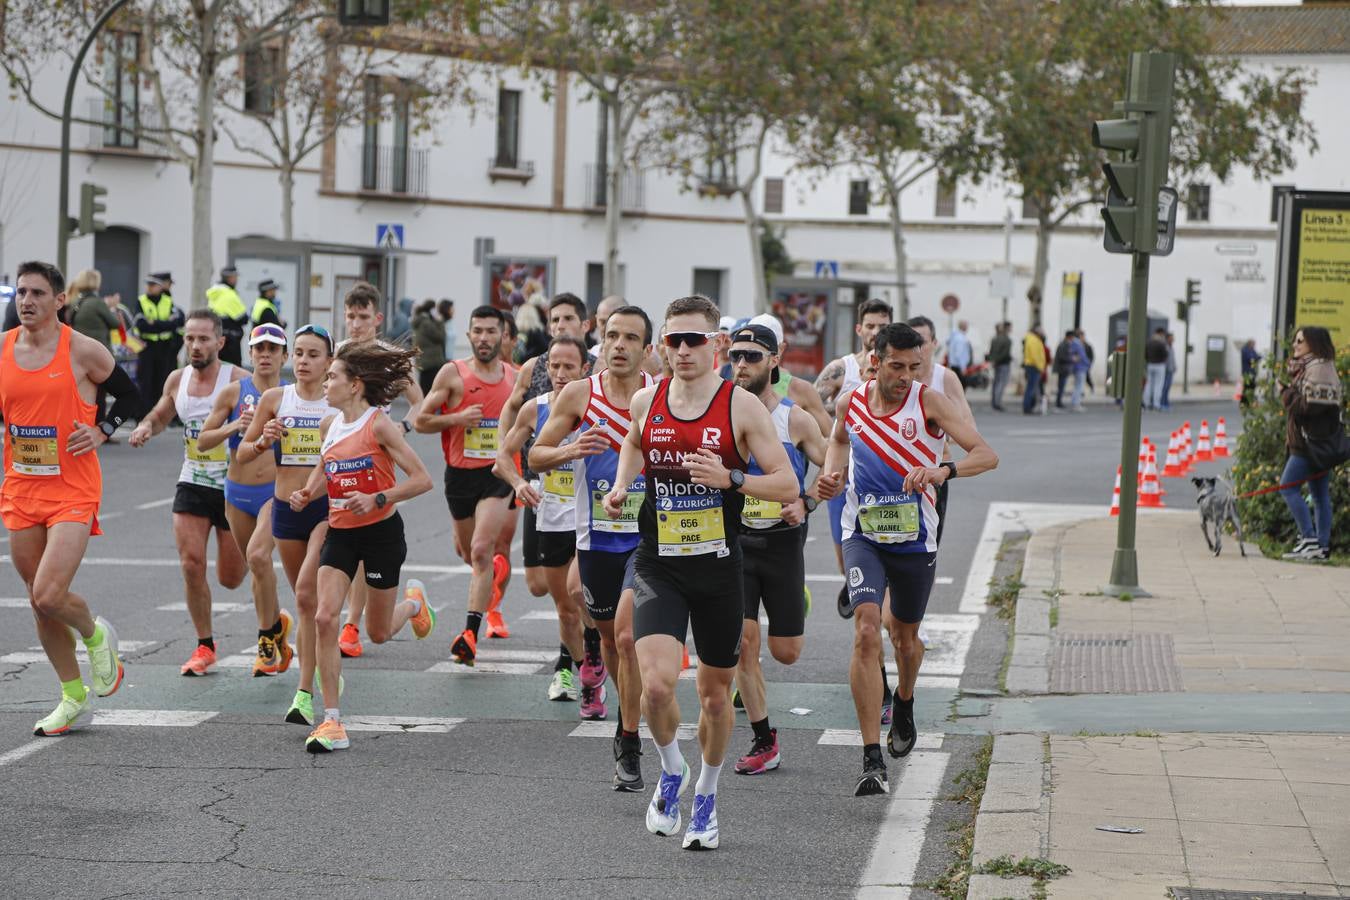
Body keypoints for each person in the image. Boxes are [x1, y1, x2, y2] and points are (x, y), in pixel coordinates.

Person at [604, 295, 799, 850]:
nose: (683, 350)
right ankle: (671, 770)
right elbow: (634, 442)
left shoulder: (742, 408)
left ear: (716, 344)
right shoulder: (649, 399)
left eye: (694, 340)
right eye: (674, 340)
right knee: (658, 686)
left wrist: (731, 481)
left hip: (718, 570)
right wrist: (622, 485)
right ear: (661, 345)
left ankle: (707, 797)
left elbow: (786, 484)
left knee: (715, 699)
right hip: (658, 564)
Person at [816, 323, 998, 796]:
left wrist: (943, 469)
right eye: (896, 366)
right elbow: (838, 439)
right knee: (865, 626)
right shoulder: (850, 403)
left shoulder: (930, 403)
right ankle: (871, 756)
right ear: (874, 361)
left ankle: (906, 699)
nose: (905, 376)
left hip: (915, 540)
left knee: (905, 636)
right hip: (864, 535)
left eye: (914, 366)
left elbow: (986, 454)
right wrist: (831, 476)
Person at [3, 261, 137, 735]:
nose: (26, 301)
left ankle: (96, 635)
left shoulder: (82, 350)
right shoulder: (2, 349)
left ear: (59, 300)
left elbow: (131, 395)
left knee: (49, 592)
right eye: (21, 292)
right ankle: (72, 696)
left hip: (72, 489)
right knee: (38, 604)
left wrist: (103, 430)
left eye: (38, 293)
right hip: (20, 488)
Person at [531, 306, 655, 789]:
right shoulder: (582, 394)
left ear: (648, 349)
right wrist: (569, 450)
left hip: (650, 539)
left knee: (627, 638)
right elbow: (538, 454)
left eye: (630, 338)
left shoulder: (660, 396)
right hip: (596, 537)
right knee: (608, 638)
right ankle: (610, 686)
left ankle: (629, 738)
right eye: (612, 336)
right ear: (600, 344)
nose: (619, 345)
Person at [293, 340, 436, 753]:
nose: (325, 382)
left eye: (333, 377)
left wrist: (378, 498)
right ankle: (332, 722)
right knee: (324, 617)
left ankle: (412, 605)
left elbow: (422, 479)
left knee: (377, 632)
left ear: (354, 385)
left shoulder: (378, 425)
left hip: (381, 534)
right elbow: (326, 465)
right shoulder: (328, 426)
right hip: (341, 531)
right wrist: (307, 492)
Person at [727, 324, 826, 775]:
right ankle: (765, 738)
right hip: (736, 544)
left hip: (783, 545)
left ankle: (793, 601)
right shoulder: (722, 414)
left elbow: (835, 470)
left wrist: (805, 503)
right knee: (744, 643)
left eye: (751, 356)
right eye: (735, 356)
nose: (741, 364)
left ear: (773, 361)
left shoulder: (795, 418)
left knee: (785, 652)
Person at [130, 310, 249, 674]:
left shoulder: (238, 379)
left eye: (203, 339)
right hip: (193, 481)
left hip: (233, 487)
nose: (195, 346)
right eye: (189, 339)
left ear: (220, 342)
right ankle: (204, 645)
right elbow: (162, 413)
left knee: (231, 578)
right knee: (191, 563)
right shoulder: (177, 379)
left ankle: (273, 622)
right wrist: (147, 426)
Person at [236, 324, 337, 727]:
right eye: (298, 353)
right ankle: (324, 670)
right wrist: (263, 440)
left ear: (329, 361)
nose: (303, 361)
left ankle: (304, 692)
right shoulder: (276, 399)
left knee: (308, 592)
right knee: (306, 602)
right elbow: (243, 453)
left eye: (313, 354)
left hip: (326, 508)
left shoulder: (337, 404)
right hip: (284, 508)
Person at [416, 306, 517, 664]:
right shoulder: (452, 374)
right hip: (460, 475)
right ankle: (490, 572)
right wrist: (457, 417)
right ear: (469, 334)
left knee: (480, 550)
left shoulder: (515, 377)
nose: (484, 338)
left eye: (491, 331)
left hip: (497, 474)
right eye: (478, 331)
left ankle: (470, 633)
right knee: (467, 552)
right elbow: (421, 420)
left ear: (503, 336)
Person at [495, 335, 592, 703]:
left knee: (580, 594)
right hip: (549, 515)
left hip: (588, 519)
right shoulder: (535, 409)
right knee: (565, 610)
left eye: (569, 366)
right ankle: (583, 668)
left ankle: (590, 660)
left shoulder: (597, 405)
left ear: (585, 368)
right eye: (554, 366)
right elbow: (503, 456)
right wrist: (519, 482)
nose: (561, 373)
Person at [333, 282, 425, 659]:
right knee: (346, 537)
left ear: (378, 318)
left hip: (377, 453)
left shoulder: (389, 356)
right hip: (342, 451)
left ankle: (353, 624)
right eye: (351, 317)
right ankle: (360, 618)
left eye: (363, 317)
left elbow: (419, 402)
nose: (356, 324)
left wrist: (403, 427)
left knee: (363, 532)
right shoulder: (338, 353)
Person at [196, 323, 292, 676]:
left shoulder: (293, 395)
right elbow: (204, 440)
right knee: (257, 568)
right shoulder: (234, 393)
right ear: (250, 354)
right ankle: (278, 627)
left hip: (274, 493)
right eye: (259, 349)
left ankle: (266, 639)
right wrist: (234, 427)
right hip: (236, 494)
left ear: (284, 356)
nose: (265, 355)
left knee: (258, 556)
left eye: (272, 349)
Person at [499, 294, 594, 614]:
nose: (560, 325)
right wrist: (516, 479)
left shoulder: (601, 374)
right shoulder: (534, 368)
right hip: (543, 486)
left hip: (588, 498)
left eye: (567, 319)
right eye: (554, 320)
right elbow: (510, 412)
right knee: (539, 585)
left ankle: (583, 653)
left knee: (577, 589)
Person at [814, 299, 892, 611]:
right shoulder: (840, 369)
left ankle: (879, 606)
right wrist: (850, 406)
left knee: (888, 552)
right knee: (846, 558)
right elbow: (811, 404)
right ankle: (859, 586)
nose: (875, 332)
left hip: (884, 476)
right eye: (870, 326)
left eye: (882, 326)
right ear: (859, 329)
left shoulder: (899, 371)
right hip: (844, 477)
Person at [1279, 326, 1342, 562]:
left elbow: (1310, 408)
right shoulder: (1311, 367)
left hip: (1310, 444)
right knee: (1318, 494)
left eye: (1300, 342)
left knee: (1288, 487)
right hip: (1315, 443)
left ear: (1313, 344)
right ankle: (1321, 546)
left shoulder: (1319, 369)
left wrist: (1286, 394)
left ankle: (1309, 539)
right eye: (1295, 340)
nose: (1295, 345)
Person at [135, 271, 185, 410]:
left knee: (162, 380)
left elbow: (176, 323)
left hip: (164, 347)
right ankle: (144, 412)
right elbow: (141, 325)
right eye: (148, 285)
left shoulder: (168, 301)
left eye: (153, 285)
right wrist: (164, 324)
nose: (150, 287)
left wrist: (154, 323)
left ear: (160, 287)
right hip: (147, 347)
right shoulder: (141, 300)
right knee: (145, 381)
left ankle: (160, 412)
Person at [206, 266, 249, 365]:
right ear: (230, 278)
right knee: (233, 372)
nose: (237, 280)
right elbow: (243, 318)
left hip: (217, 338)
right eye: (235, 277)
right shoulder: (229, 294)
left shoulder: (216, 293)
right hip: (231, 342)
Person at [69, 269, 119, 349]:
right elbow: (115, 324)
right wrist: (112, 308)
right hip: (99, 350)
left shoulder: (75, 302)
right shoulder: (98, 303)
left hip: (79, 348)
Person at [412, 299, 447, 396]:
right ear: (431, 310)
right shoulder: (426, 323)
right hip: (431, 361)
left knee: (426, 389)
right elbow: (440, 337)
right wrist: (440, 321)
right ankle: (425, 410)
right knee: (429, 391)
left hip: (425, 360)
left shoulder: (421, 320)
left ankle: (424, 409)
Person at [986, 321, 1012, 411]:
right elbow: (1005, 353)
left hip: (996, 363)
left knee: (996, 383)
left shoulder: (994, 339)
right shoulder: (1006, 339)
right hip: (1003, 363)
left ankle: (994, 402)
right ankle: (998, 402)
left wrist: (993, 361)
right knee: (1001, 383)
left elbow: (991, 351)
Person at [1021, 324, 1046, 415]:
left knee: (1031, 387)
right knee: (1031, 388)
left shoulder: (1032, 339)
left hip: (1032, 366)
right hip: (1034, 366)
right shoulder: (1033, 340)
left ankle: (1029, 406)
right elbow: (1035, 355)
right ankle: (1027, 407)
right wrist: (1040, 367)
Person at [1144, 327, 1169, 410]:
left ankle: (1147, 403)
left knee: (1148, 384)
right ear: (1161, 333)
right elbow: (1165, 355)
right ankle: (1156, 404)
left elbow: (1145, 354)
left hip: (1150, 364)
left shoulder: (1149, 342)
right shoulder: (1161, 343)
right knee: (1158, 385)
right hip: (1160, 365)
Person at [1053, 330, 1076, 409]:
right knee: (1061, 386)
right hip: (1062, 369)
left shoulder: (1065, 344)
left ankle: (1059, 402)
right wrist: (1072, 359)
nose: (1073, 339)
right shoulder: (1064, 344)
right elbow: (1062, 357)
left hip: (1063, 368)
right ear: (1069, 336)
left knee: (1061, 386)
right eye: (1073, 337)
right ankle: (1058, 402)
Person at [946, 320, 972, 387]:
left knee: (956, 386)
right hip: (958, 366)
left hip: (954, 365)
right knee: (961, 387)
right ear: (964, 327)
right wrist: (963, 367)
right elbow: (959, 354)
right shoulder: (960, 338)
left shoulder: (955, 336)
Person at [1069, 330, 1089, 412]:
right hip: (1080, 367)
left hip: (1076, 367)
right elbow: (1082, 356)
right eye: (1083, 336)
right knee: (1079, 386)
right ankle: (1076, 404)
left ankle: (1075, 403)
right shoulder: (1078, 344)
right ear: (1080, 336)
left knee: (1077, 385)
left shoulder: (1073, 343)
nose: (1084, 338)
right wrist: (1088, 363)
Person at [1241, 339, 1262, 409]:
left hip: (1252, 372)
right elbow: (1251, 359)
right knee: (1247, 387)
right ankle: (1244, 402)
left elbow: (1256, 356)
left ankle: (1249, 402)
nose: (1254, 345)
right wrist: (1257, 357)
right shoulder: (1245, 350)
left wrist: (1258, 357)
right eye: (1253, 344)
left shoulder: (1251, 350)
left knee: (1252, 387)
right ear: (1250, 343)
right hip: (1247, 372)